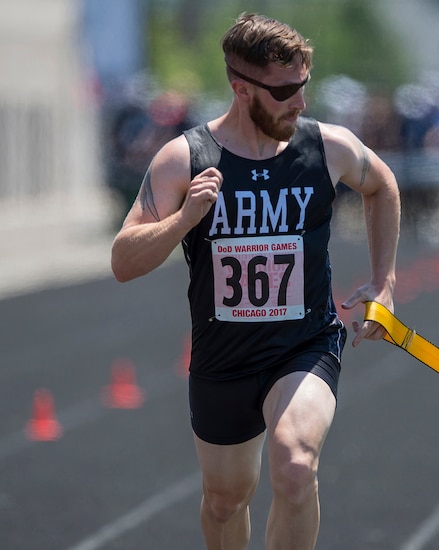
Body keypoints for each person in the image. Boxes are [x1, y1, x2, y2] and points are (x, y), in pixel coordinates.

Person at [110, 13, 400, 550]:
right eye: (286, 90)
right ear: (242, 89)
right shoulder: (186, 159)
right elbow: (123, 261)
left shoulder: (327, 148)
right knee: (225, 502)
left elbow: (381, 184)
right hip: (223, 356)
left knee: (294, 464)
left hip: (304, 346)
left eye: (303, 86)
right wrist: (182, 220)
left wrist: (384, 282)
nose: (301, 103)